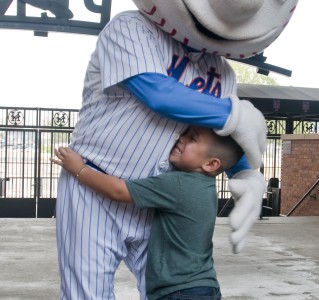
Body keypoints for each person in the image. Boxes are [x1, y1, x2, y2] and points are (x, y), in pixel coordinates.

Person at [55, 1, 298, 298]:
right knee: (88, 293)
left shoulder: (223, 73)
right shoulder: (131, 27)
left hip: (159, 200)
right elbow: (155, 92)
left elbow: (223, 140)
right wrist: (230, 113)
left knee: (165, 291)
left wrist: (246, 172)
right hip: (93, 186)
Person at [52, 126, 243, 300]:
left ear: (211, 164)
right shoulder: (206, 187)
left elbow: (119, 191)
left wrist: (79, 169)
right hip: (205, 286)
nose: (181, 138)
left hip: (179, 291)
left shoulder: (179, 184)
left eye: (192, 138)